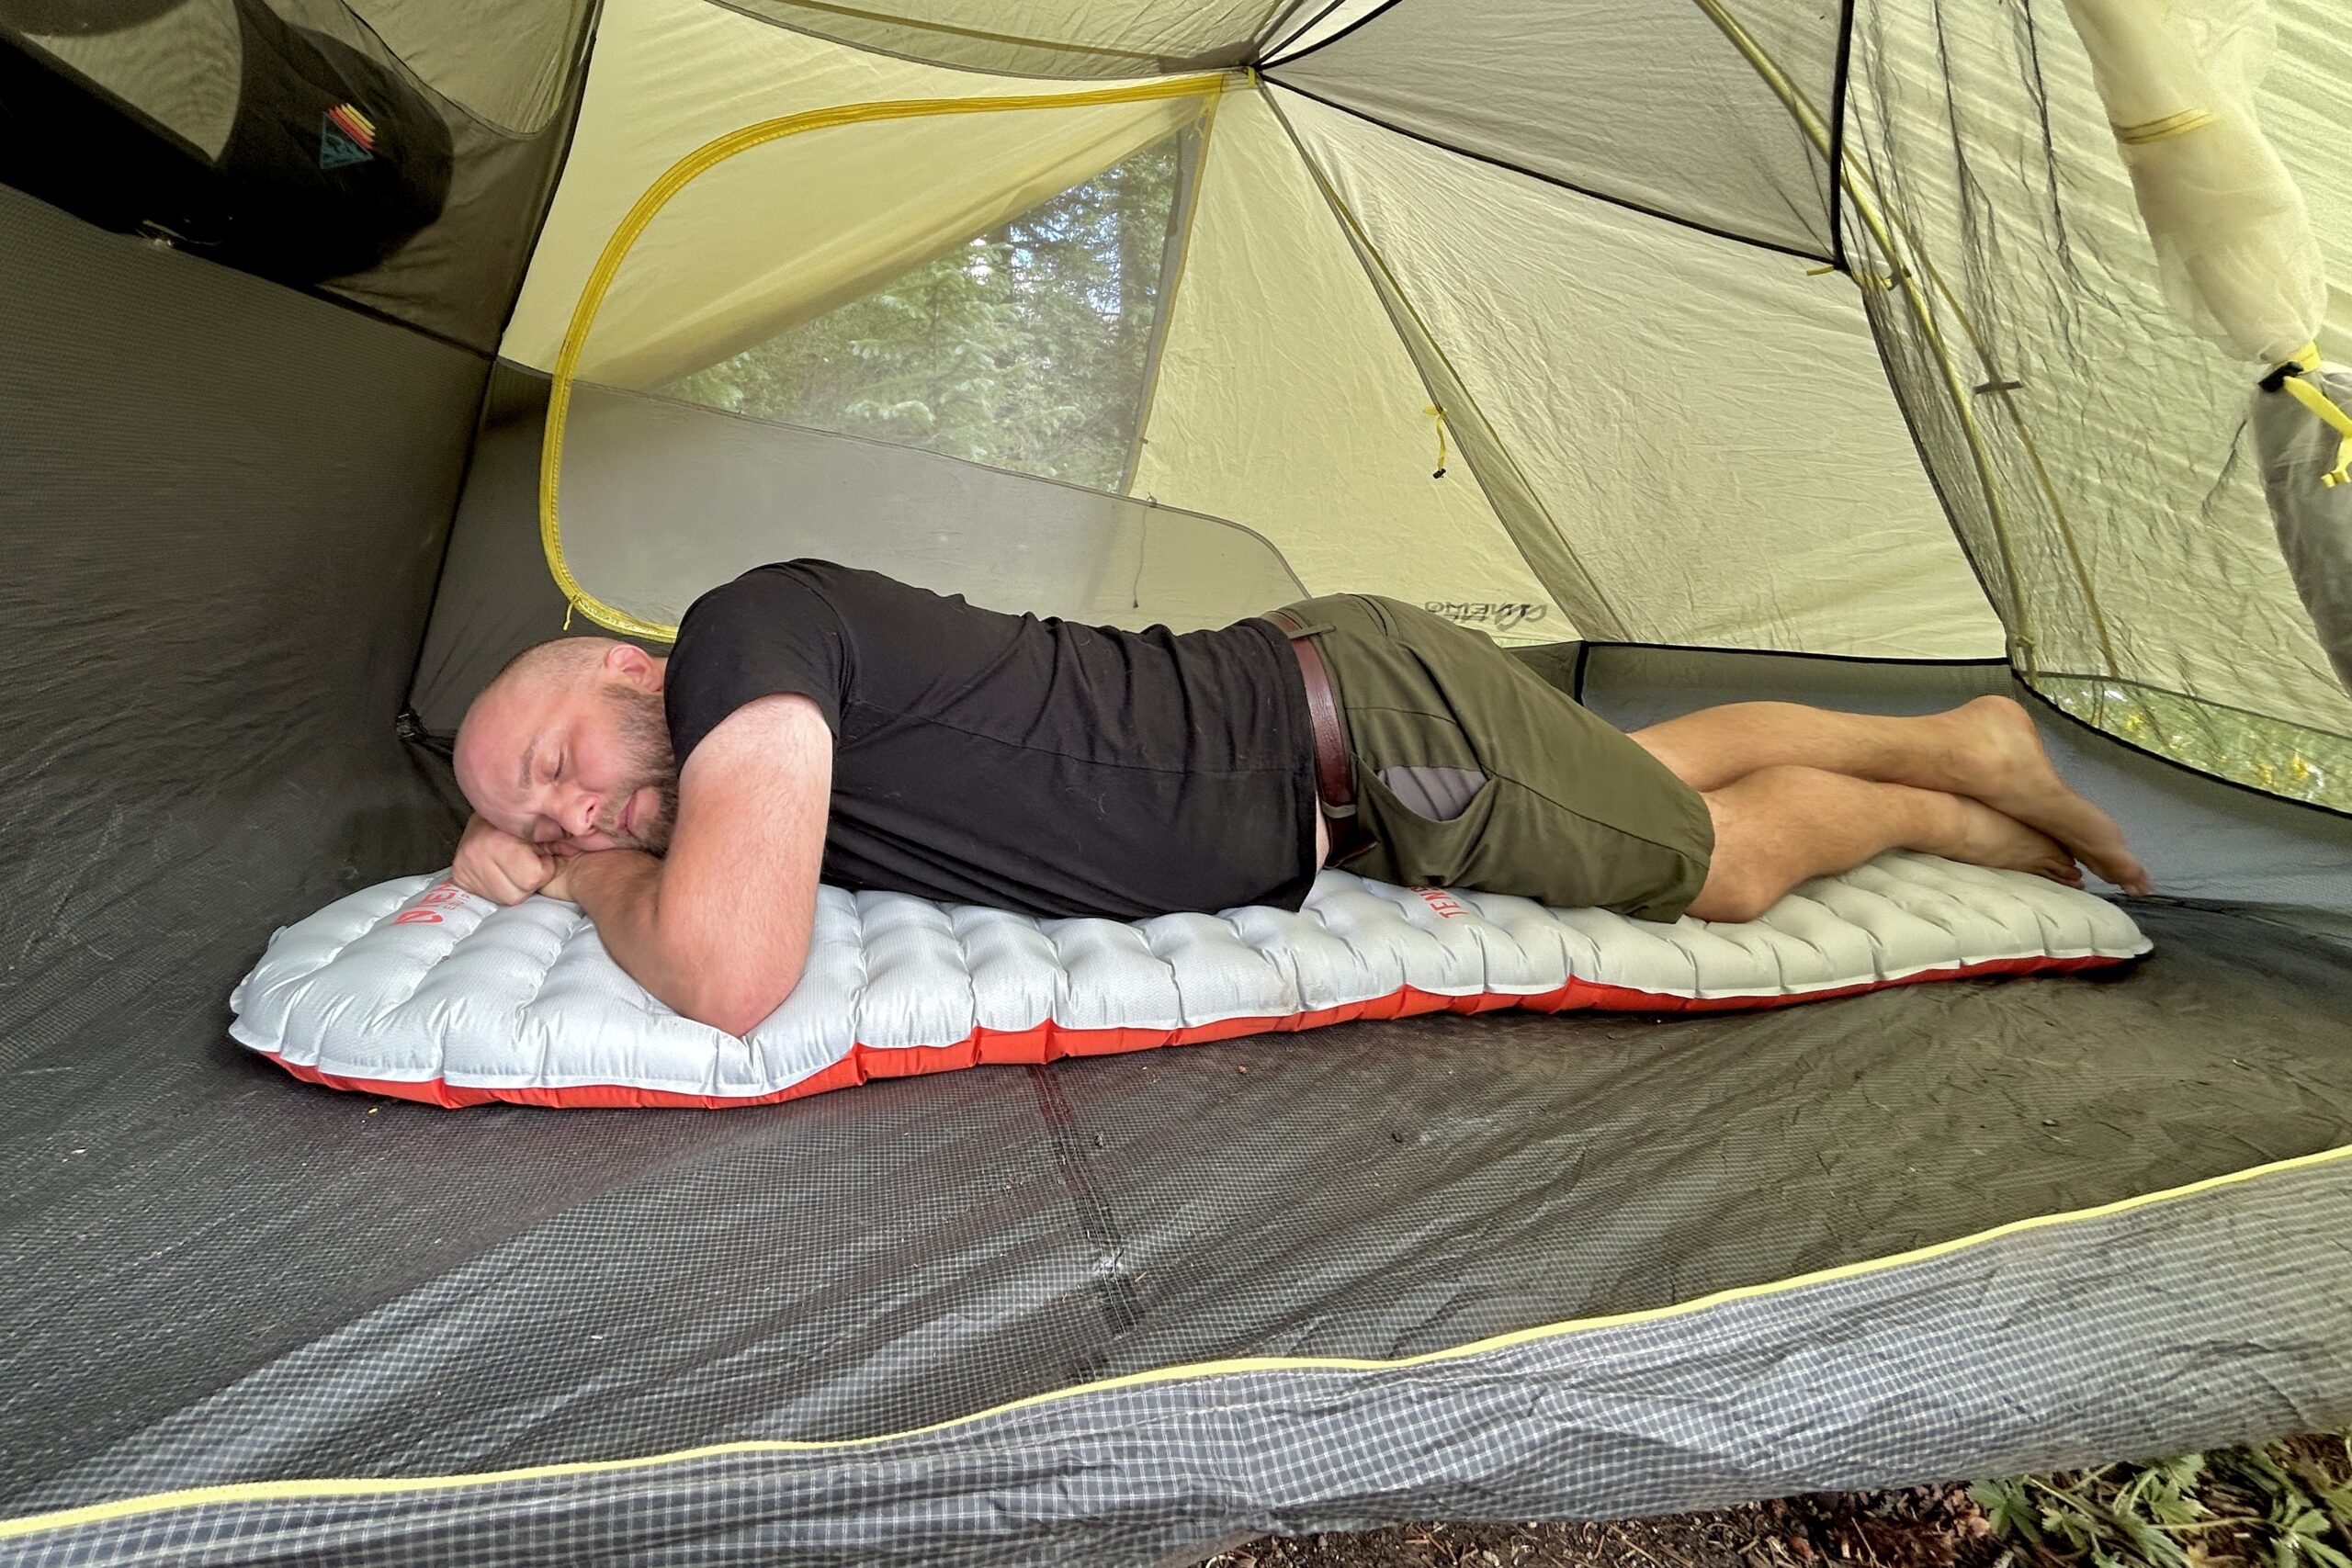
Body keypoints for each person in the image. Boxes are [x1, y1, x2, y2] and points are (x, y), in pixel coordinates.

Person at [450, 560, 2150, 1036]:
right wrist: (516, 845)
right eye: (544, 826)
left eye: (552, 769)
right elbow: (705, 868)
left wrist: (580, 889)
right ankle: (1953, 742)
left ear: (616, 663)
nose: (571, 822)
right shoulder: (745, 750)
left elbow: (732, 973)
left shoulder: (741, 638)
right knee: (1633, 785)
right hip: (1352, 738)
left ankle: (1952, 783)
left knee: (1715, 867)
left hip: (1370, 728)